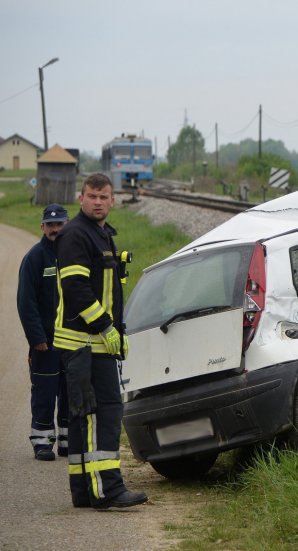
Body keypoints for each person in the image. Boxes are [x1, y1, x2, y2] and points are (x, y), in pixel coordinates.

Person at [54, 173, 147, 509]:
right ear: (81, 199)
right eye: (91, 196)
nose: (97, 201)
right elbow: (78, 291)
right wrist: (108, 328)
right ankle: (108, 489)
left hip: (89, 343)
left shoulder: (100, 234)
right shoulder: (77, 235)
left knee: (83, 416)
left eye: (103, 196)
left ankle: (83, 490)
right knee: (103, 412)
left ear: (112, 200)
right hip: (86, 343)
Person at [17, 203, 70, 461]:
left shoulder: (75, 254)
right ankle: (42, 443)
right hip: (46, 344)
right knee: (45, 393)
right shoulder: (34, 258)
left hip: (72, 341)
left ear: (67, 225)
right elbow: (26, 302)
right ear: (42, 227)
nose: (55, 229)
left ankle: (67, 442)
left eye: (59, 224)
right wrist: (36, 338)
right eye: (50, 225)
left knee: (71, 393)